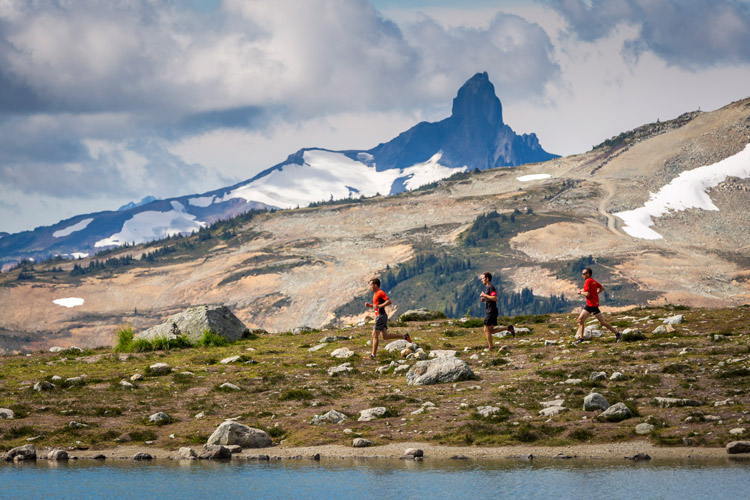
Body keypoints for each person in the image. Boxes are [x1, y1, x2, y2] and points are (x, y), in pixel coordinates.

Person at [364, 277, 411, 359]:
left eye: (371, 285)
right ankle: (404, 337)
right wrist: (370, 306)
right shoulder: (375, 294)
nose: (370, 287)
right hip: (382, 316)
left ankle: (373, 355)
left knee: (374, 335)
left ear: (375, 285)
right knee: (385, 336)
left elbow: (389, 301)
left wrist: (379, 306)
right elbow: (377, 305)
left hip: (381, 316)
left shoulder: (380, 292)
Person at [574, 267, 621, 343]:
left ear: (588, 274)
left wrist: (579, 292)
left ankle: (581, 338)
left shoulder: (587, 282)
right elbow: (602, 288)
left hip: (590, 305)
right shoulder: (594, 281)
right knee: (602, 322)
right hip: (595, 304)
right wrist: (595, 294)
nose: (582, 275)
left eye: (583, 274)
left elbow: (587, 294)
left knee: (580, 320)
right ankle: (617, 334)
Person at [479, 272, 514, 349]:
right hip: (491, 311)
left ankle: (491, 347)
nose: (481, 280)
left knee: (486, 329)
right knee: (491, 331)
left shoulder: (491, 287)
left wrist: (484, 295)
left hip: (491, 311)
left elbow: (495, 298)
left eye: (483, 278)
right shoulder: (488, 288)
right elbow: (491, 298)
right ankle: (508, 328)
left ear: (487, 279)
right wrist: (485, 299)